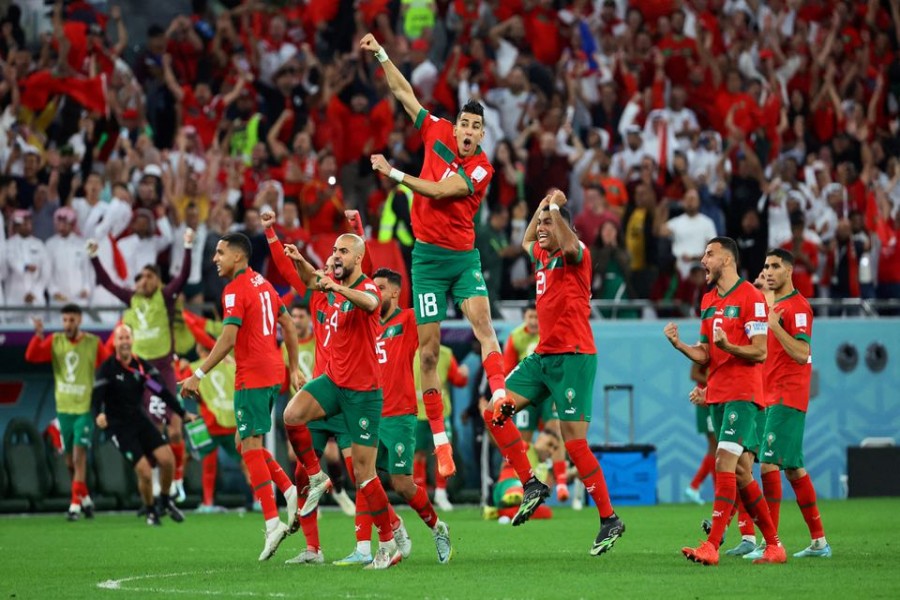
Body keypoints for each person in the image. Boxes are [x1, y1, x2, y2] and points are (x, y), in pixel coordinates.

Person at [362, 33, 509, 481]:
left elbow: (444, 191)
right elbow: (405, 93)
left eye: (475, 129)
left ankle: (500, 397)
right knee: (427, 354)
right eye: (463, 124)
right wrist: (384, 54)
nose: (467, 132)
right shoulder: (436, 130)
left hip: (463, 258)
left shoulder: (482, 166)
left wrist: (396, 173)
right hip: (426, 260)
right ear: (457, 124)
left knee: (484, 325)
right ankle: (441, 445)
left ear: (482, 135)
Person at [487, 189, 626, 555]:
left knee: (575, 444)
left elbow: (568, 243)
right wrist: (540, 207)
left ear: (564, 225)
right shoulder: (541, 256)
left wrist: (553, 209)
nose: (541, 229)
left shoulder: (577, 255)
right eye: (542, 223)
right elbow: (525, 238)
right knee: (494, 411)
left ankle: (609, 519)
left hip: (575, 357)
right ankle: (531, 483)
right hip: (544, 356)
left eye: (549, 223)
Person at [279, 233, 402, 570]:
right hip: (333, 381)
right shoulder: (329, 280)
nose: (336, 256)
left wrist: (337, 289)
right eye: (334, 250)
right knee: (291, 415)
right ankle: (317, 477)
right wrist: (299, 259)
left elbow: (370, 303)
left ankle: (388, 544)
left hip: (363, 394)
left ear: (358, 258)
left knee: (364, 475)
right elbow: (310, 279)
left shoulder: (367, 287)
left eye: (343, 251)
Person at [663, 236, 786, 565]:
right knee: (743, 472)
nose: (703, 260)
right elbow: (705, 353)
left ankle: (712, 545)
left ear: (727, 261)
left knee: (724, 463)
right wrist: (680, 346)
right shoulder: (707, 301)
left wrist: (729, 346)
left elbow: (760, 350)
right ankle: (774, 545)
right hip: (718, 394)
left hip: (743, 394)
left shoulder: (751, 297)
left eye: (709, 254)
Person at [180, 232, 301, 562]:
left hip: (252, 375)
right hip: (273, 372)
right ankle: (290, 492)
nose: (215, 258)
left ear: (238, 256)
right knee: (245, 443)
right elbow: (288, 325)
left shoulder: (233, 290)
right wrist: (294, 366)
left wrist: (198, 374)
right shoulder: (263, 283)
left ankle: (272, 521)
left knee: (249, 447)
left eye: (220, 252)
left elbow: (229, 337)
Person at [88, 228, 194, 502]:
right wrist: (95, 257)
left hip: (163, 369)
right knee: (148, 426)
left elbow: (182, 277)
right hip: (140, 371)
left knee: (170, 427)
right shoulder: (131, 299)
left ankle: (176, 481)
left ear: (157, 281)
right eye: (139, 277)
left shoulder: (166, 296)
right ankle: (156, 484)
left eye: (148, 276)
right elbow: (106, 282)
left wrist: (187, 247)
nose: (142, 280)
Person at [744, 249, 830, 559]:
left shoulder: (798, 308)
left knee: (768, 464)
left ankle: (772, 544)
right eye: (765, 265)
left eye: (775, 266)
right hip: (771, 396)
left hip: (787, 396)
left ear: (790, 271)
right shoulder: (775, 306)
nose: (768, 270)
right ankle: (819, 542)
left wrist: (775, 326)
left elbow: (801, 353)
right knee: (794, 469)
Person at [366, 267, 452, 564]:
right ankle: (392, 532)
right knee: (363, 478)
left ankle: (437, 526)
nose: (373, 292)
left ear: (394, 292)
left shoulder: (410, 319)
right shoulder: (368, 322)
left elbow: (432, 326)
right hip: (370, 413)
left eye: (379, 287)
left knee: (402, 484)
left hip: (400, 414)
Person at [93, 324, 192, 526]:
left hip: (139, 420)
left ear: (132, 340)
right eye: (120, 338)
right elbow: (96, 399)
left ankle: (164, 501)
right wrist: (98, 415)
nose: (124, 342)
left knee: (168, 460)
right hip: (119, 427)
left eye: (127, 337)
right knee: (145, 472)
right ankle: (150, 511)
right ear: (114, 342)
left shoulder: (142, 368)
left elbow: (161, 391)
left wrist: (181, 413)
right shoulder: (107, 369)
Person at [25, 304, 111, 520]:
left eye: (71, 320)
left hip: (84, 409)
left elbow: (109, 365)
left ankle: (74, 505)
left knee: (79, 455)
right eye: (64, 320)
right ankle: (85, 498)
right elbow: (32, 357)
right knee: (69, 462)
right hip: (63, 409)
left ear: (80, 320)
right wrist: (38, 335)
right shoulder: (55, 341)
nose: (67, 324)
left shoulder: (93, 342)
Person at [504, 304, 570, 502]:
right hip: (527, 393)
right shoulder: (515, 338)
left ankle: (561, 484)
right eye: (529, 317)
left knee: (555, 434)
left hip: (549, 392)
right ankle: (525, 484)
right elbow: (507, 368)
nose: (533, 321)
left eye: (536, 317)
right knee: (522, 441)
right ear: (524, 317)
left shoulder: (550, 333)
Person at [412, 345, 469, 512]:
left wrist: (463, 375)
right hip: (415, 413)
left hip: (440, 414)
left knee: (443, 453)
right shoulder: (408, 351)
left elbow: (458, 380)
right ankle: (420, 495)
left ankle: (441, 493)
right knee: (418, 454)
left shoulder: (445, 353)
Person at [684, 363, 713, 505]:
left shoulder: (723, 347)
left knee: (718, 448)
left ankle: (695, 486)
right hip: (705, 402)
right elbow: (694, 374)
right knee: (716, 447)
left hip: (716, 401)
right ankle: (695, 486)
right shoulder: (703, 346)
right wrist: (716, 382)